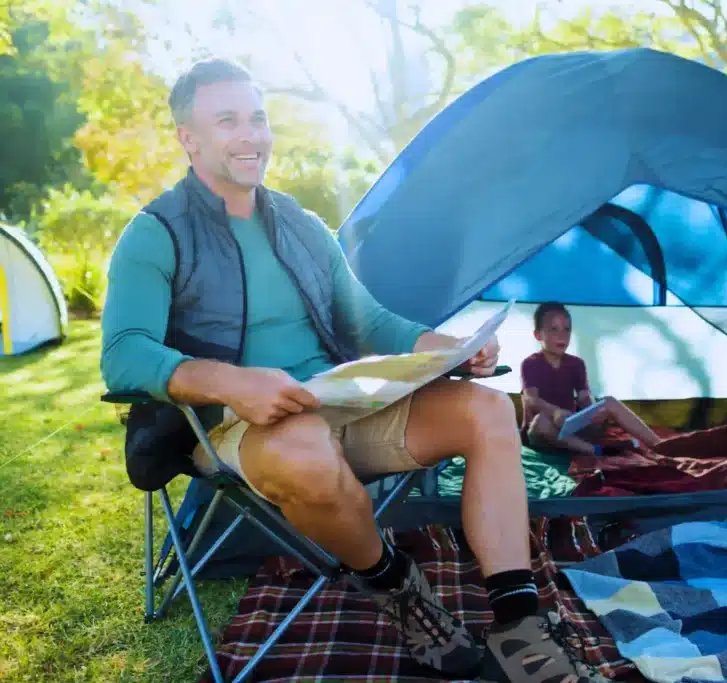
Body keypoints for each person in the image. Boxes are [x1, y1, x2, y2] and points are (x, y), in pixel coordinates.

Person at [100, 58, 609, 683]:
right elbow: (124, 353)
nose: (250, 135)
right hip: (229, 425)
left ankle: (519, 626)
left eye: (257, 118)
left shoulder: (302, 227)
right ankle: (402, 592)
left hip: (337, 402)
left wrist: (449, 347)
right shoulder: (155, 233)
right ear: (189, 138)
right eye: (227, 120)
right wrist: (231, 381)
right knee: (305, 449)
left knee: (485, 409)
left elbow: (368, 322)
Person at [521, 302, 663, 456]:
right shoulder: (530, 363)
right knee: (540, 423)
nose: (562, 335)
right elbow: (531, 400)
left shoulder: (576, 363)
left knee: (608, 402)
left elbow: (584, 396)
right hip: (543, 433)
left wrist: (593, 410)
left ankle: (659, 444)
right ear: (538, 335)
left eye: (567, 329)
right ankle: (597, 451)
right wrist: (555, 412)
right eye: (554, 329)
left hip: (569, 428)